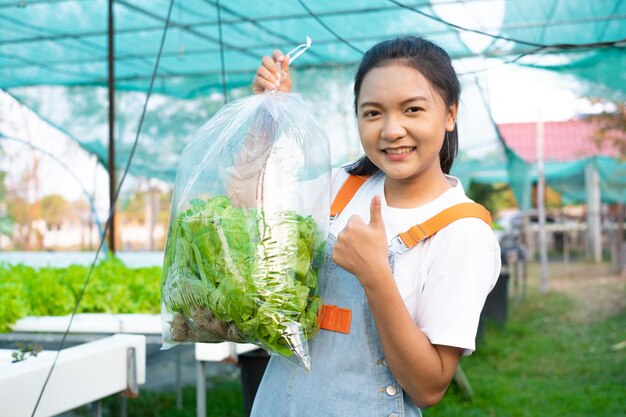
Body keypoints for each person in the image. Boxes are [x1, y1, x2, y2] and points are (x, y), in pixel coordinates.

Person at [250, 36, 501, 417]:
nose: (391, 129)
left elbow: (429, 386)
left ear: (450, 114)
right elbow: (244, 210)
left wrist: (376, 276)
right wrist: (267, 115)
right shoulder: (339, 187)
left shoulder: (463, 231)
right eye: (372, 113)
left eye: (413, 109)